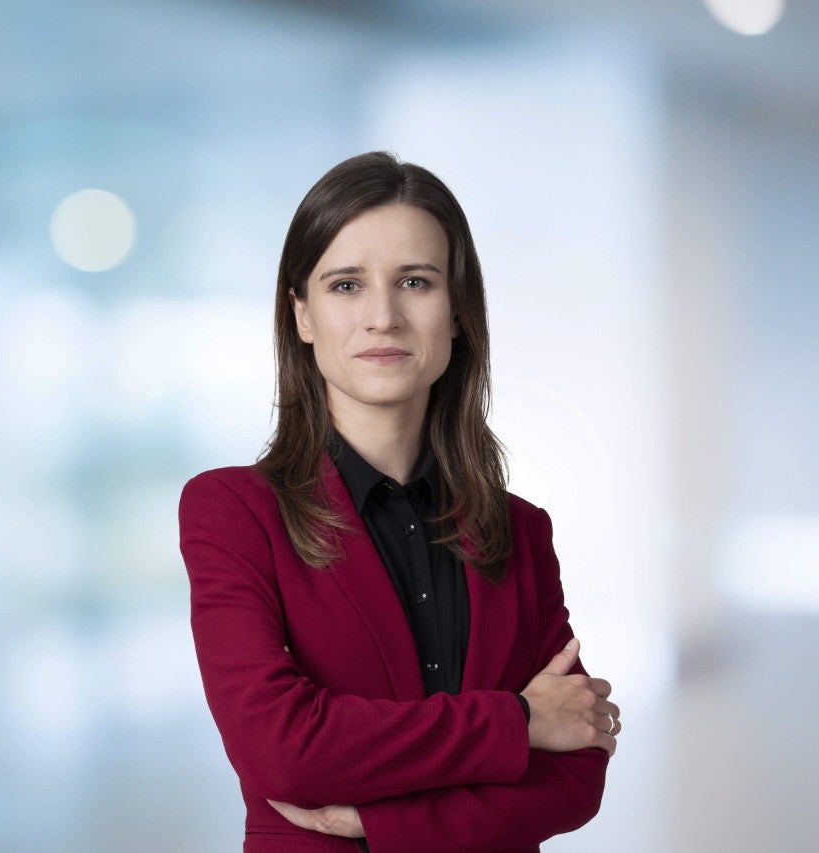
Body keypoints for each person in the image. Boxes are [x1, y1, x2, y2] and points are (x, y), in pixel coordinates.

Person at [178, 151, 620, 852]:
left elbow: (576, 772)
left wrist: (381, 822)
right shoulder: (232, 512)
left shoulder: (520, 529)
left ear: (457, 313)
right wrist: (519, 720)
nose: (382, 316)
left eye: (415, 281)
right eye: (346, 285)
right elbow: (283, 751)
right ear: (302, 314)